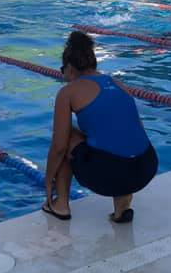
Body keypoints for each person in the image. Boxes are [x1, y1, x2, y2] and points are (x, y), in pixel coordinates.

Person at [43, 31, 158, 223]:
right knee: (111, 138)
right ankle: (122, 203)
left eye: (63, 69)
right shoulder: (117, 83)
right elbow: (137, 128)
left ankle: (60, 205)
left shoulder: (68, 92)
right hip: (146, 166)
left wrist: (48, 181)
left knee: (67, 135)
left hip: (110, 175)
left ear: (70, 68)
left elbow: (59, 147)